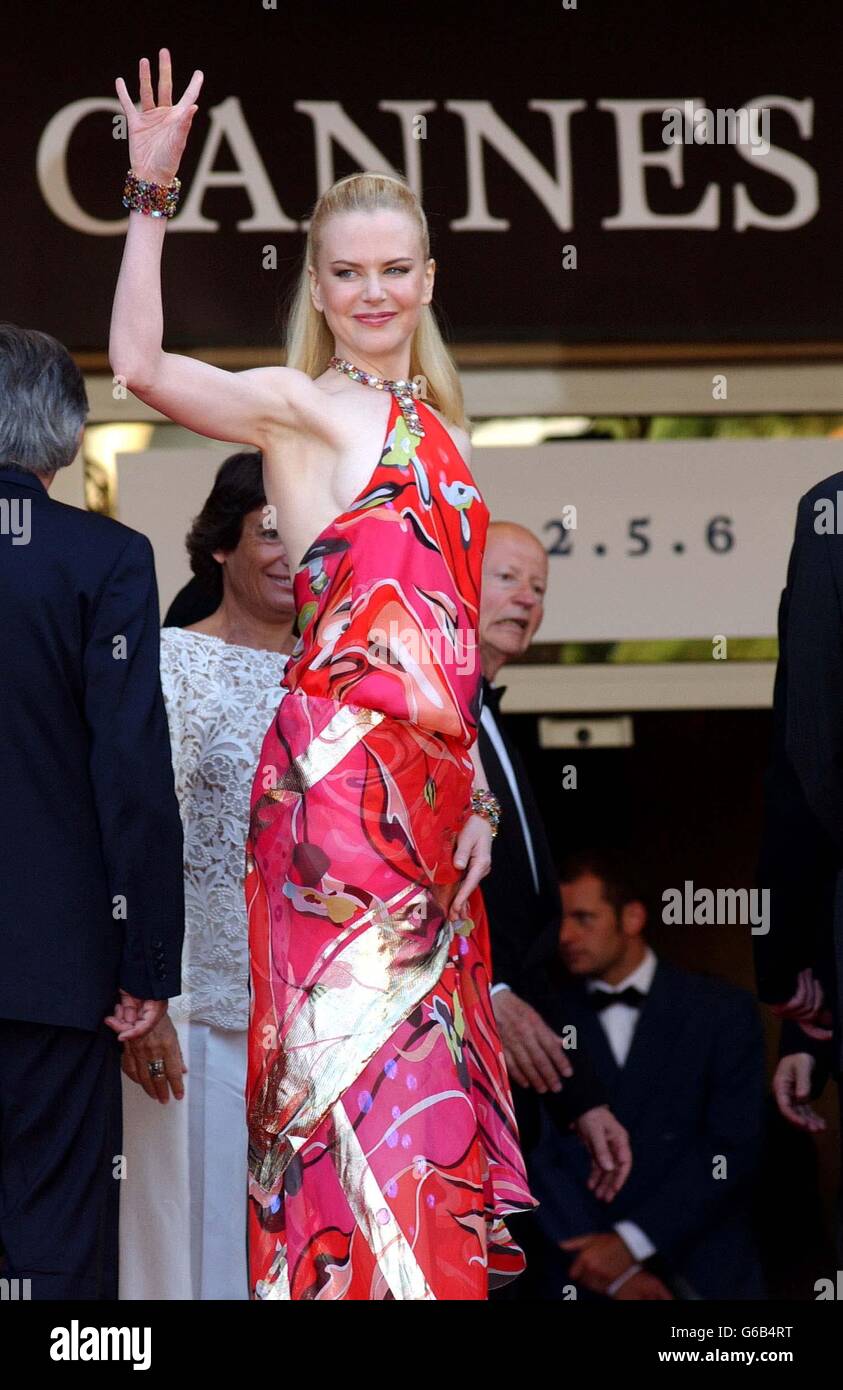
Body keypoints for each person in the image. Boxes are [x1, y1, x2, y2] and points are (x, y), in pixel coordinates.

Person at [110, 48, 535, 1300]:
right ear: (318, 280)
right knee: (352, 1091)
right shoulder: (301, 405)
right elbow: (139, 366)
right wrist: (150, 195)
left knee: (429, 1108)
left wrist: (480, 805)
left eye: (395, 270)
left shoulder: (450, 433)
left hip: (436, 813)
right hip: (337, 806)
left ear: (428, 278)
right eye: (347, 272)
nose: (372, 292)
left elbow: (451, 661)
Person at [0, 322, 184, 1299]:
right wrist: (144, 969)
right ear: (67, 437)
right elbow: (130, 774)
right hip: (53, 979)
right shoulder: (103, 559)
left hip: (53, 976)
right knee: (56, 1249)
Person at [119, 452, 295, 1300]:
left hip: (311, 1021)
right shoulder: (167, 663)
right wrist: (143, 996)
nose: (293, 550)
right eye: (269, 530)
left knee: (292, 1249)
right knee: (182, 1249)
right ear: (221, 544)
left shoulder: (343, 682)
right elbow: (133, 835)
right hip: (189, 1012)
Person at [526, 852, 766, 1300]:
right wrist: (607, 1267)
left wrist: (634, 1242)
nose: (565, 936)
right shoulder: (540, 1019)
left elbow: (734, 1147)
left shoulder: (722, 1011)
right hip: (579, 1270)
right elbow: (535, 1151)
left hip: (702, 1268)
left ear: (632, 917)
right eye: (560, 920)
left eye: (584, 918)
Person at [478, 522, 632, 1183]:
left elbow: (527, 945)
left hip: (511, 1111)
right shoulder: (417, 717)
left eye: (537, 587)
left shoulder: (492, 724)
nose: (526, 599)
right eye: (507, 578)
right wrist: (482, 990)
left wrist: (582, 1099)